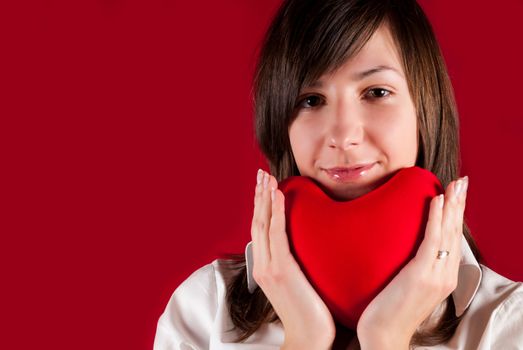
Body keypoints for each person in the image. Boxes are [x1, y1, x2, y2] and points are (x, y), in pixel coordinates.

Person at [153, 0, 523, 349]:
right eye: (311, 100)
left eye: (376, 92)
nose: (344, 135)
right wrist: (305, 337)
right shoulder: (205, 312)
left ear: (424, 108)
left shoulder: (507, 324)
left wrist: (385, 337)